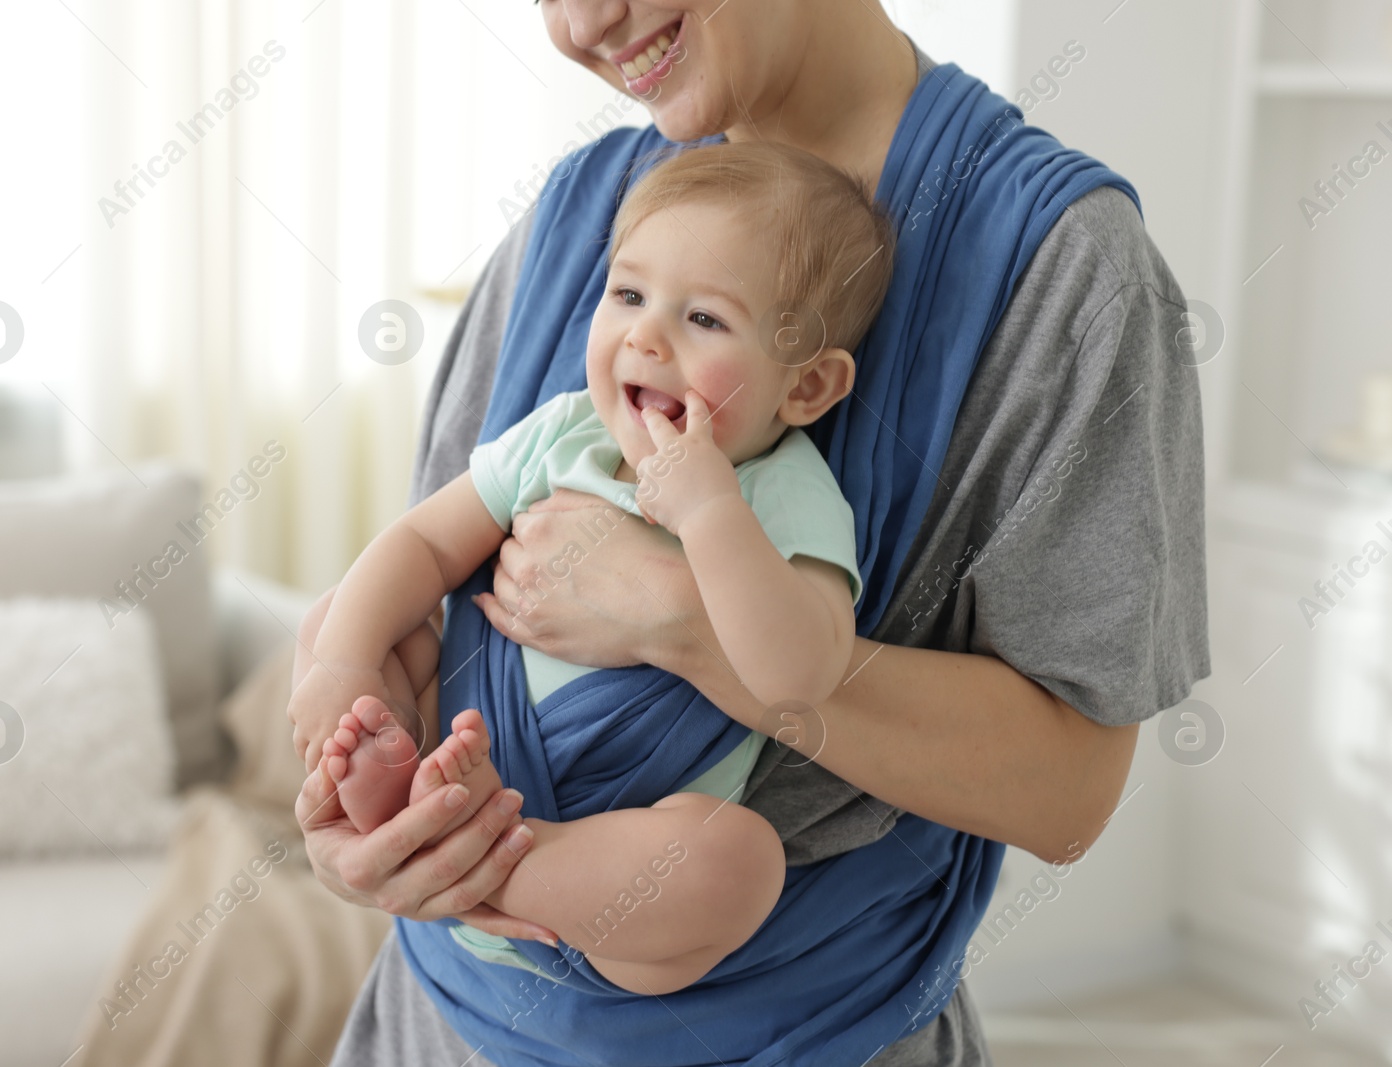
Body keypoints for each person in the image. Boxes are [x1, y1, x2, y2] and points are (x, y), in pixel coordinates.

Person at [295, 2, 1210, 1063]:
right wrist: (354, 813)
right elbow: (419, 601)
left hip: (796, 1033)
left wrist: (681, 622)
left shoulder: (1061, 265)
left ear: (814, 380)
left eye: (705, 320)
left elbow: (1065, 799)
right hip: (437, 1025)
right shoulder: (577, 213)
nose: (580, 21)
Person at [288, 139, 893, 996]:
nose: (645, 336)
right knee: (337, 616)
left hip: (606, 869)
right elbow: (423, 545)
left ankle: (482, 857)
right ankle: (404, 795)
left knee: (736, 862)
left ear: (807, 388)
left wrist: (707, 508)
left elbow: (801, 673)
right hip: (458, 728)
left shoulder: (787, 496)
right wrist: (346, 664)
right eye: (630, 294)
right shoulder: (566, 432)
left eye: (705, 319)